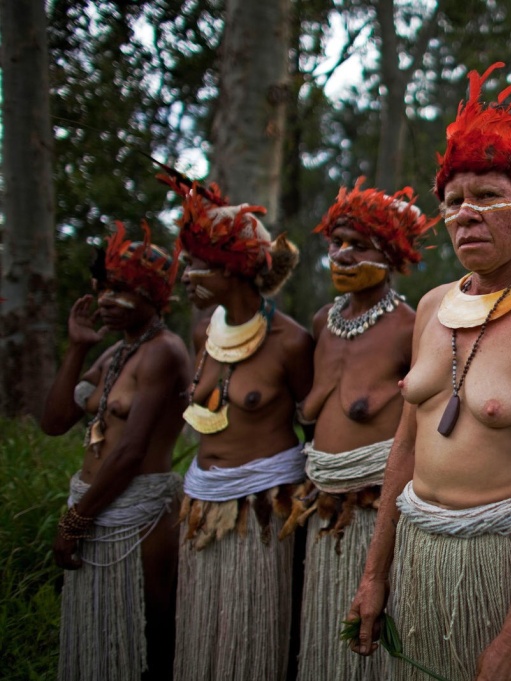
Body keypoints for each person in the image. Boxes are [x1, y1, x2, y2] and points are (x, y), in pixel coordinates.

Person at [347, 63, 511, 681]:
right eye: (454, 201)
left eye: (488, 195)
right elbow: (404, 446)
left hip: (509, 569)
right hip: (423, 561)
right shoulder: (432, 306)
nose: (466, 214)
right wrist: (375, 575)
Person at [160, 175, 314, 681]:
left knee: (255, 636)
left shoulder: (290, 342)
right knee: (204, 627)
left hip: (264, 506)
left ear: (235, 271)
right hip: (202, 501)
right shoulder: (205, 330)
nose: (188, 276)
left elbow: (310, 424)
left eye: (201, 267)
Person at [293, 178, 434, 680]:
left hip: (375, 518)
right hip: (321, 516)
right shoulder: (318, 324)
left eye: (359, 244)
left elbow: (426, 427)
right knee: (321, 645)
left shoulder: (409, 328)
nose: (343, 255)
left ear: (391, 253)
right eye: (337, 242)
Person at [41, 221, 189, 681]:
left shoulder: (163, 352)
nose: (105, 298)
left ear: (151, 295)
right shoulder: (116, 354)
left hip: (138, 516)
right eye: (103, 287)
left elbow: (130, 452)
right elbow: (55, 421)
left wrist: (75, 520)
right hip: (97, 506)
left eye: (120, 288)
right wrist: (77, 348)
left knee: (145, 639)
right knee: (99, 641)